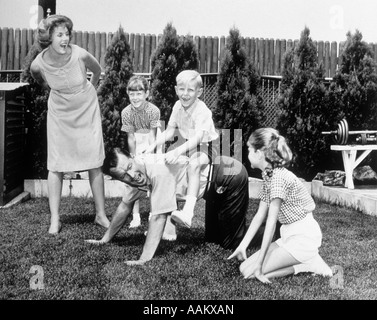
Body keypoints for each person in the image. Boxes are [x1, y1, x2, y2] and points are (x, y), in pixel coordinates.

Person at [85, 147, 256, 265]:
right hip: (211, 188)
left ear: (133, 157)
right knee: (213, 241)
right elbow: (124, 207)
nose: (132, 176)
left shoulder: (156, 171)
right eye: (124, 176)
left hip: (228, 174)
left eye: (130, 166)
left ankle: (271, 232)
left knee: (230, 244)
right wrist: (104, 239)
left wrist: (143, 259)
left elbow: (159, 217)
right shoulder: (135, 174)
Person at [30, 15, 110, 234]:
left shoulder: (80, 54)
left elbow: (98, 71)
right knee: (56, 164)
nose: (65, 39)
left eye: (67, 34)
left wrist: (87, 92)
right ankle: (55, 219)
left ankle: (101, 215)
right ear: (48, 38)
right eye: (59, 35)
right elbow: (39, 79)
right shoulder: (38, 64)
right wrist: (58, 92)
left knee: (94, 160)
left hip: (86, 109)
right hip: (59, 112)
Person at [228, 128, 333, 283]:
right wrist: (243, 245)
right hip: (288, 235)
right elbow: (259, 215)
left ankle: (306, 265)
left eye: (249, 149)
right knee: (244, 268)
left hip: (303, 238)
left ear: (259, 153)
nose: (247, 153)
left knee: (250, 273)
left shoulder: (278, 178)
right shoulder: (268, 174)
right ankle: (305, 262)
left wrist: (259, 264)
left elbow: (270, 224)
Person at [143, 70, 219, 229]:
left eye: (191, 90)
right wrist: (152, 146)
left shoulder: (202, 110)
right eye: (182, 89)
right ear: (176, 89)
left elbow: (199, 138)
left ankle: (188, 213)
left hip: (207, 144)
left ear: (199, 92)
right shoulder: (177, 106)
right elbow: (170, 131)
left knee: (194, 165)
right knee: (166, 165)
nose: (185, 94)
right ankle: (159, 216)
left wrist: (177, 151)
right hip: (187, 142)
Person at [121, 75, 161, 229]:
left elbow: (153, 135)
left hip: (151, 144)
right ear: (127, 93)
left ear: (146, 94)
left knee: (152, 179)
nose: (135, 97)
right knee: (134, 180)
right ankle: (136, 216)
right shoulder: (126, 112)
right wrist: (134, 156)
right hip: (136, 144)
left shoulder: (153, 110)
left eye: (139, 93)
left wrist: (150, 156)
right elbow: (130, 137)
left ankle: (153, 212)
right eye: (132, 94)